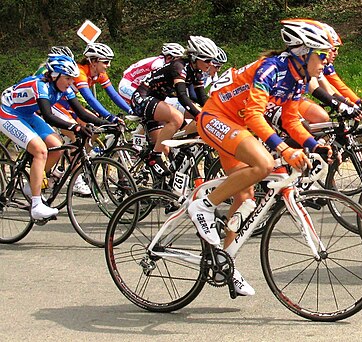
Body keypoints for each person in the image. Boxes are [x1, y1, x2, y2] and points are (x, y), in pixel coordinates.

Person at [187, 19, 334, 296]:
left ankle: (225, 262)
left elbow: (291, 119)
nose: (325, 62)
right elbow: (255, 115)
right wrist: (285, 150)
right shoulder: (272, 69)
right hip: (216, 117)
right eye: (322, 55)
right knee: (265, 164)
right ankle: (203, 206)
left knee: (245, 199)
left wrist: (314, 145)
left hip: (236, 126)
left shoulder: (298, 77)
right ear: (303, 52)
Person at [0, 54, 107, 220]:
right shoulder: (40, 85)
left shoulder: (65, 87)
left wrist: (107, 122)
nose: (71, 82)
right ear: (55, 76)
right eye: (68, 79)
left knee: (56, 146)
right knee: (40, 150)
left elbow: (80, 112)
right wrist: (75, 127)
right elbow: (48, 116)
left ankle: (31, 186)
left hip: (26, 114)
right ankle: (36, 205)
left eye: (73, 79)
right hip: (9, 113)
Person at [130, 36, 219, 176]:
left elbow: (202, 98)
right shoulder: (179, 66)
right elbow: (183, 96)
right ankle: (154, 156)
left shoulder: (196, 71)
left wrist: (217, 113)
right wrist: (199, 115)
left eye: (212, 60)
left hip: (157, 101)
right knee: (177, 118)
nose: (210, 64)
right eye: (207, 60)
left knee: (198, 118)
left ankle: (175, 157)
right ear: (195, 57)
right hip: (142, 98)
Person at [75, 43, 130, 123]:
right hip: (60, 100)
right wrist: (108, 116)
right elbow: (89, 98)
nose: (109, 65)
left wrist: (130, 110)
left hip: (69, 99)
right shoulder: (80, 72)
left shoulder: (101, 74)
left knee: (95, 126)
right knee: (90, 124)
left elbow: (113, 95)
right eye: (106, 62)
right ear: (93, 62)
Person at [118, 43, 186, 103]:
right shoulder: (158, 64)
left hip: (137, 85)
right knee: (148, 104)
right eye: (178, 59)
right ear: (169, 57)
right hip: (127, 85)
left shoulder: (160, 61)